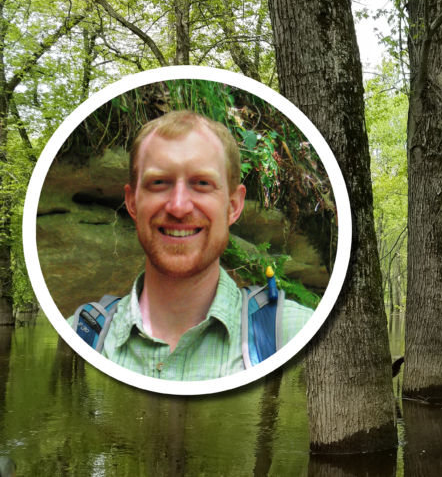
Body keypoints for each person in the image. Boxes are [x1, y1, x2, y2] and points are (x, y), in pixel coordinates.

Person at [71, 110, 314, 381]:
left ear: (233, 206)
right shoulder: (80, 336)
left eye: (201, 183)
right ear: (132, 203)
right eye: (159, 182)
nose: (178, 206)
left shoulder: (297, 333)